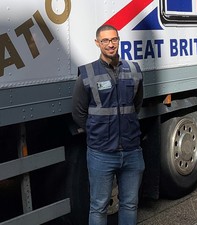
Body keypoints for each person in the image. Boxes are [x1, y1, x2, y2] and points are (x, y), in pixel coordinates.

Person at [72, 24, 145, 225]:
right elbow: (78, 113)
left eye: (114, 39)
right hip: (101, 153)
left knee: (130, 204)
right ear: (97, 43)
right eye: (105, 40)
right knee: (98, 206)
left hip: (131, 150)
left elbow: (136, 104)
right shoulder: (87, 74)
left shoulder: (134, 70)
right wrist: (97, 133)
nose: (110, 44)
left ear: (118, 41)